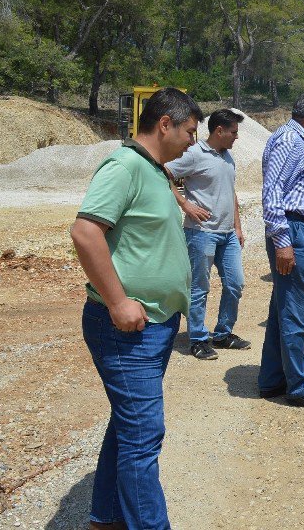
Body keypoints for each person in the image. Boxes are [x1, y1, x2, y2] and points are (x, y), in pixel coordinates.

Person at [71, 88, 202, 530]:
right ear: (164, 124)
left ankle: (105, 516)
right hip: (127, 328)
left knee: (129, 427)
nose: (192, 141)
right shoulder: (124, 166)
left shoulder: (156, 169)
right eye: (188, 131)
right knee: (143, 438)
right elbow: (86, 232)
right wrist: (118, 301)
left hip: (155, 324)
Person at [258, 91, 304, 411]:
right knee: (296, 312)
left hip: (303, 231)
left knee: (283, 310)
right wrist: (282, 240)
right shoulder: (289, 139)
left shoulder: (299, 141)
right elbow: (272, 190)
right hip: (296, 232)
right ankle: (299, 386)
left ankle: (273, 379)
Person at [165, 108, 249, 360]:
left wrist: (237, 226)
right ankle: (198, 339)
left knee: (235, 284)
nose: (237, 137)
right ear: (219, 130)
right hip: (201, 233)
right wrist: (185, 204)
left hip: (227, 234)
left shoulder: (227, 157)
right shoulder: (194, 154)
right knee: (199, 288)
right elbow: (163, 173)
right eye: (233, 132)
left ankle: (223, 333)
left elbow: (230, 192)